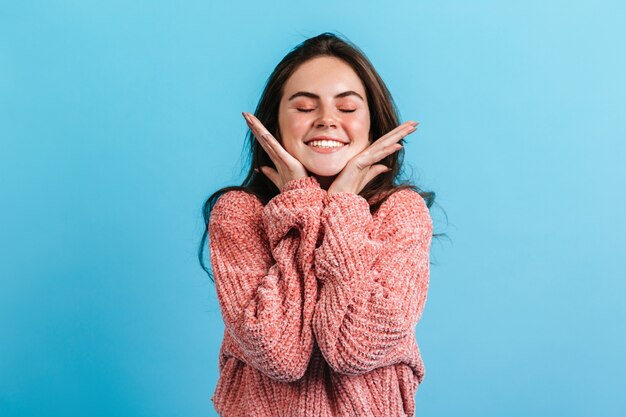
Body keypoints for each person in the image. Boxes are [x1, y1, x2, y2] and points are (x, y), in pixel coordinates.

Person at [198, 32, 438, 417]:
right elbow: (280, 354)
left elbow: (354, 348)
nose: (327, 120)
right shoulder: (238, 213)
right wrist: (301, 207)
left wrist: (343, 206)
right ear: (274, 123)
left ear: (372, 122)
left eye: (347, 107)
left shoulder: (401, 212)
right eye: (305, 107)